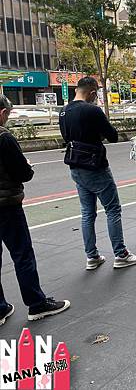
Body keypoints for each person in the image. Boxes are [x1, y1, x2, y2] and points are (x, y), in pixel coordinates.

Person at [0, 95, 70, 324]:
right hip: (6, 206)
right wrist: (27, 167)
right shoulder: (4, 138)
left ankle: (0, 307)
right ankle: (36, 303)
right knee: (22, 254)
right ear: (3, 112)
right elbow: (22, 173)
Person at [59, 77, 136, 270]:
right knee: (112, 209)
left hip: (75, 166)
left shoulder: (63, 112)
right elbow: (112, 136)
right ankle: (120, 254)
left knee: (87, 213)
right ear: (92, 93)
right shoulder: (92, 110)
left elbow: (67, 137)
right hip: (95, 166)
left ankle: (92, 256)